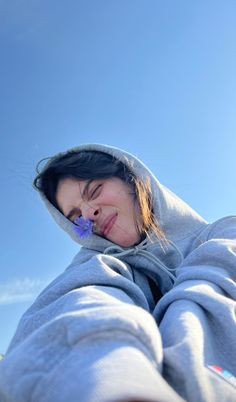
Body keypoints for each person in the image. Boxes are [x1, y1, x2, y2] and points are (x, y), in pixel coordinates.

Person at [0, 143, 235, 402]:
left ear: (132, 179)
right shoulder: (99, 265)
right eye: (75, 216)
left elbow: (210, 292)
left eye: (95, 190)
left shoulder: (224, 235)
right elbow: (81, 306)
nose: (89, 214)